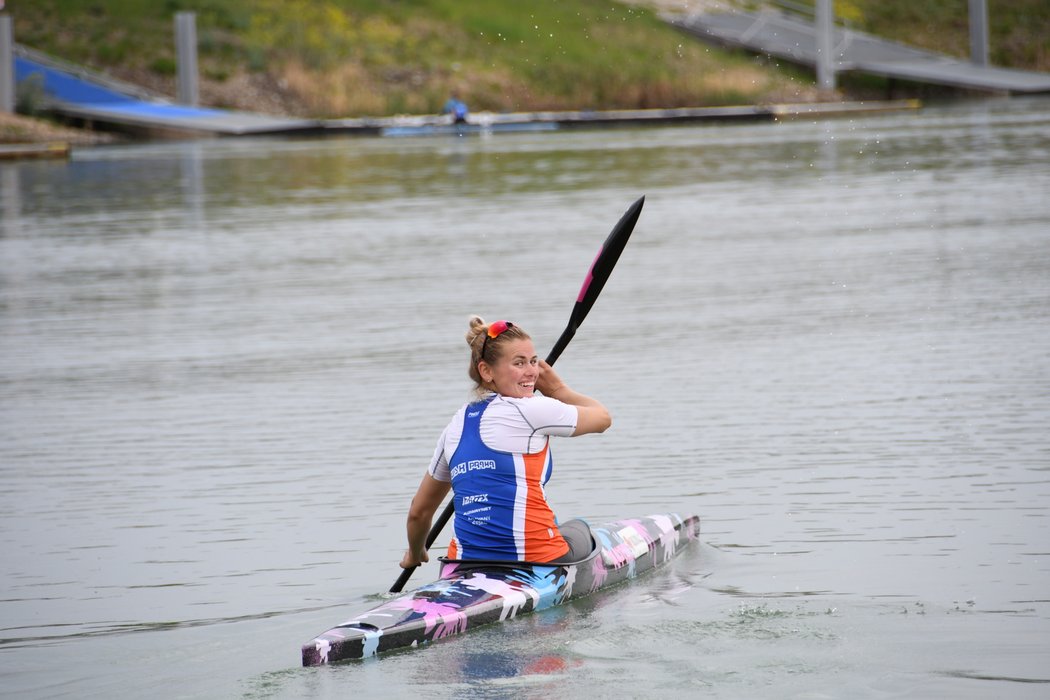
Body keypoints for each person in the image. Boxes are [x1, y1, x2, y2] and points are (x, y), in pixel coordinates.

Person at [400, 316, 611, 568]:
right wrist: (557, 389)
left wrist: (415, 552)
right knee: (579, 527)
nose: (532, 372)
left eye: (533, 362)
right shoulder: (532, 408)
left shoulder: (455, 426)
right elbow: (602, 418)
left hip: (461, 564)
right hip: (536, 561)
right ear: (486, 371)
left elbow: (419, 512)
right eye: (519, 363)